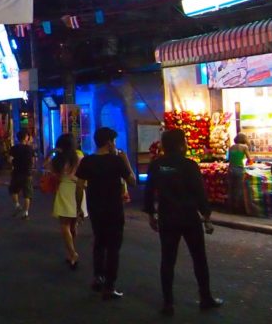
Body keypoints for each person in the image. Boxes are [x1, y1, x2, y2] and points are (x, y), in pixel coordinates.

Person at [144, 128, 223, 316]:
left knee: (168, 260)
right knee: (199, 259)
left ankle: (168, 303)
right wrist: (206, 216)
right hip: (188, 217)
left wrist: (151, 214)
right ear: (181, 144)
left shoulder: (158, 166)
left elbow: (149, 191)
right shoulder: (189, 165)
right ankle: (205, 297)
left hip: (167, 217)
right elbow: (199, 192)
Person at [75, 127, 137, 299]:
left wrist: (79, 208)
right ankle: (109, 286)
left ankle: (98, 278)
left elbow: (79, 186)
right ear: (109, 142)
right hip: (114, 209)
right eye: (114, 141)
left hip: (95, 208)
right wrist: (126, 161)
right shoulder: (117, 161)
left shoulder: (87, 161)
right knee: (113, 247)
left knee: (99, 243)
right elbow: (133, 182)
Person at [48, 133, 86, 269]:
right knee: (73, 224)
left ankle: (72, 253)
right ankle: (71, 253)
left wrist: (51, 153)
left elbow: (49, 170)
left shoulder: (58, 160)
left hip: (64, 189)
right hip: (79, 190)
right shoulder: (80, 158)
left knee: (64, 225)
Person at [8, 130, 35, 219]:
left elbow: (9, 159)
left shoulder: (14, 148)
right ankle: (25, 213)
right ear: (26, 137)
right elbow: (33, 161)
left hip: (17, 172)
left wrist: (13, 164)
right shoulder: (30, 149)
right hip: (27, 173)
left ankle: (17, 205)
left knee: (13, 190)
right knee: (27, 194)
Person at [226, 133, 251, 214]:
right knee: (239, 189)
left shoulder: (231, 147)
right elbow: (249, 159)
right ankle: (238, 208)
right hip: (239, 169)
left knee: (231, 188)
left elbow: (229, 159)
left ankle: (230, 208)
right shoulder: (244, 147)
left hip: (230, 169)